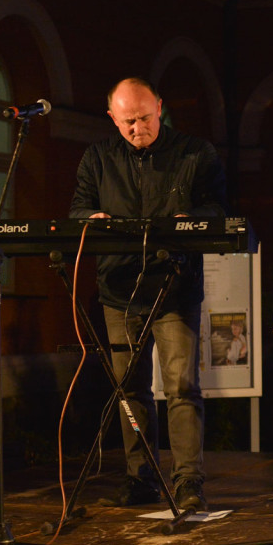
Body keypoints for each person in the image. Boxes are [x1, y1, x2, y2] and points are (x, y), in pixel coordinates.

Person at [70, 77, 227, 511]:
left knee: (182, 386)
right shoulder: (98, 158)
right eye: (128, 122)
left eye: (144, 118)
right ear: (112, 119)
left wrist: (190, 217)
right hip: (119, 291)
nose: (138, 128)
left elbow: (218, 209)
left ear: (160, 107)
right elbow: (78, 208)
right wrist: (92, 216)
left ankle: (189, 482)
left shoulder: (195, 153)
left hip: (174, 288)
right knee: (129, 389)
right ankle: (140, 477)